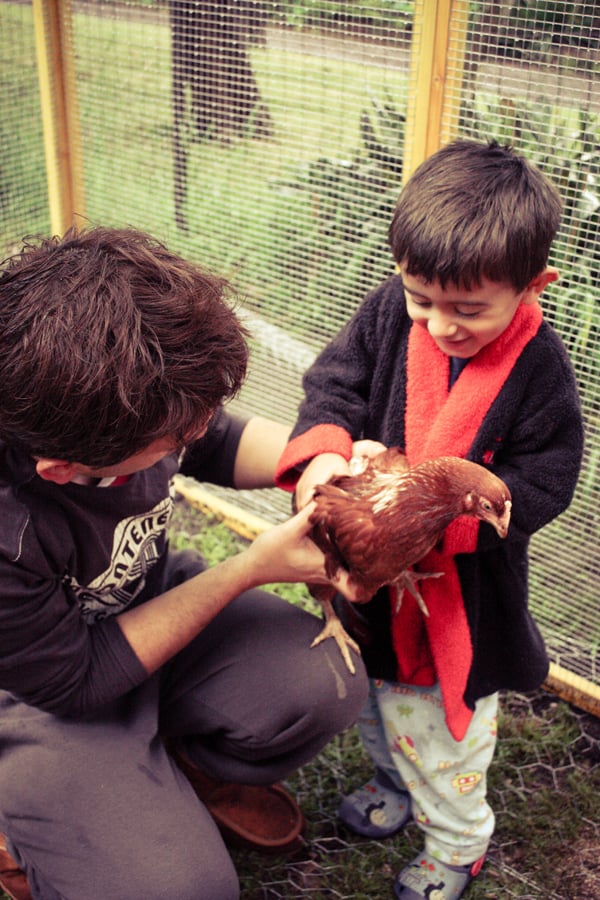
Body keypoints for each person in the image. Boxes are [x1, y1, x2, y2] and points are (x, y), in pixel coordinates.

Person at [0, 226, 369, 900]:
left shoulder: (118, 403)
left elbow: (216, 437)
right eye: (174, 436)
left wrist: (316, 464)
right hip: (36, 697)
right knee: (182, 891)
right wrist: (249, 567)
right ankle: (34, 822)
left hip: (141, 608)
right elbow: (74, 681)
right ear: (60, 469)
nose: (196, 433)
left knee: (327, 681)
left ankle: (172, 773)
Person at [275, 140, 584, 900]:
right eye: (422, 298)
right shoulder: (388, 313)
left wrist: (431, 518)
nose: (440, 323)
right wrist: (324, 453)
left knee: (446, 739)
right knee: (377, 703)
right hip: (373, 579)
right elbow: (333, 388)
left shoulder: (540, 369)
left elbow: (548, 476)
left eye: (469, 308)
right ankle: (393, 784)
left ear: (531, 285)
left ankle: (457, 842)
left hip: (463, 598)